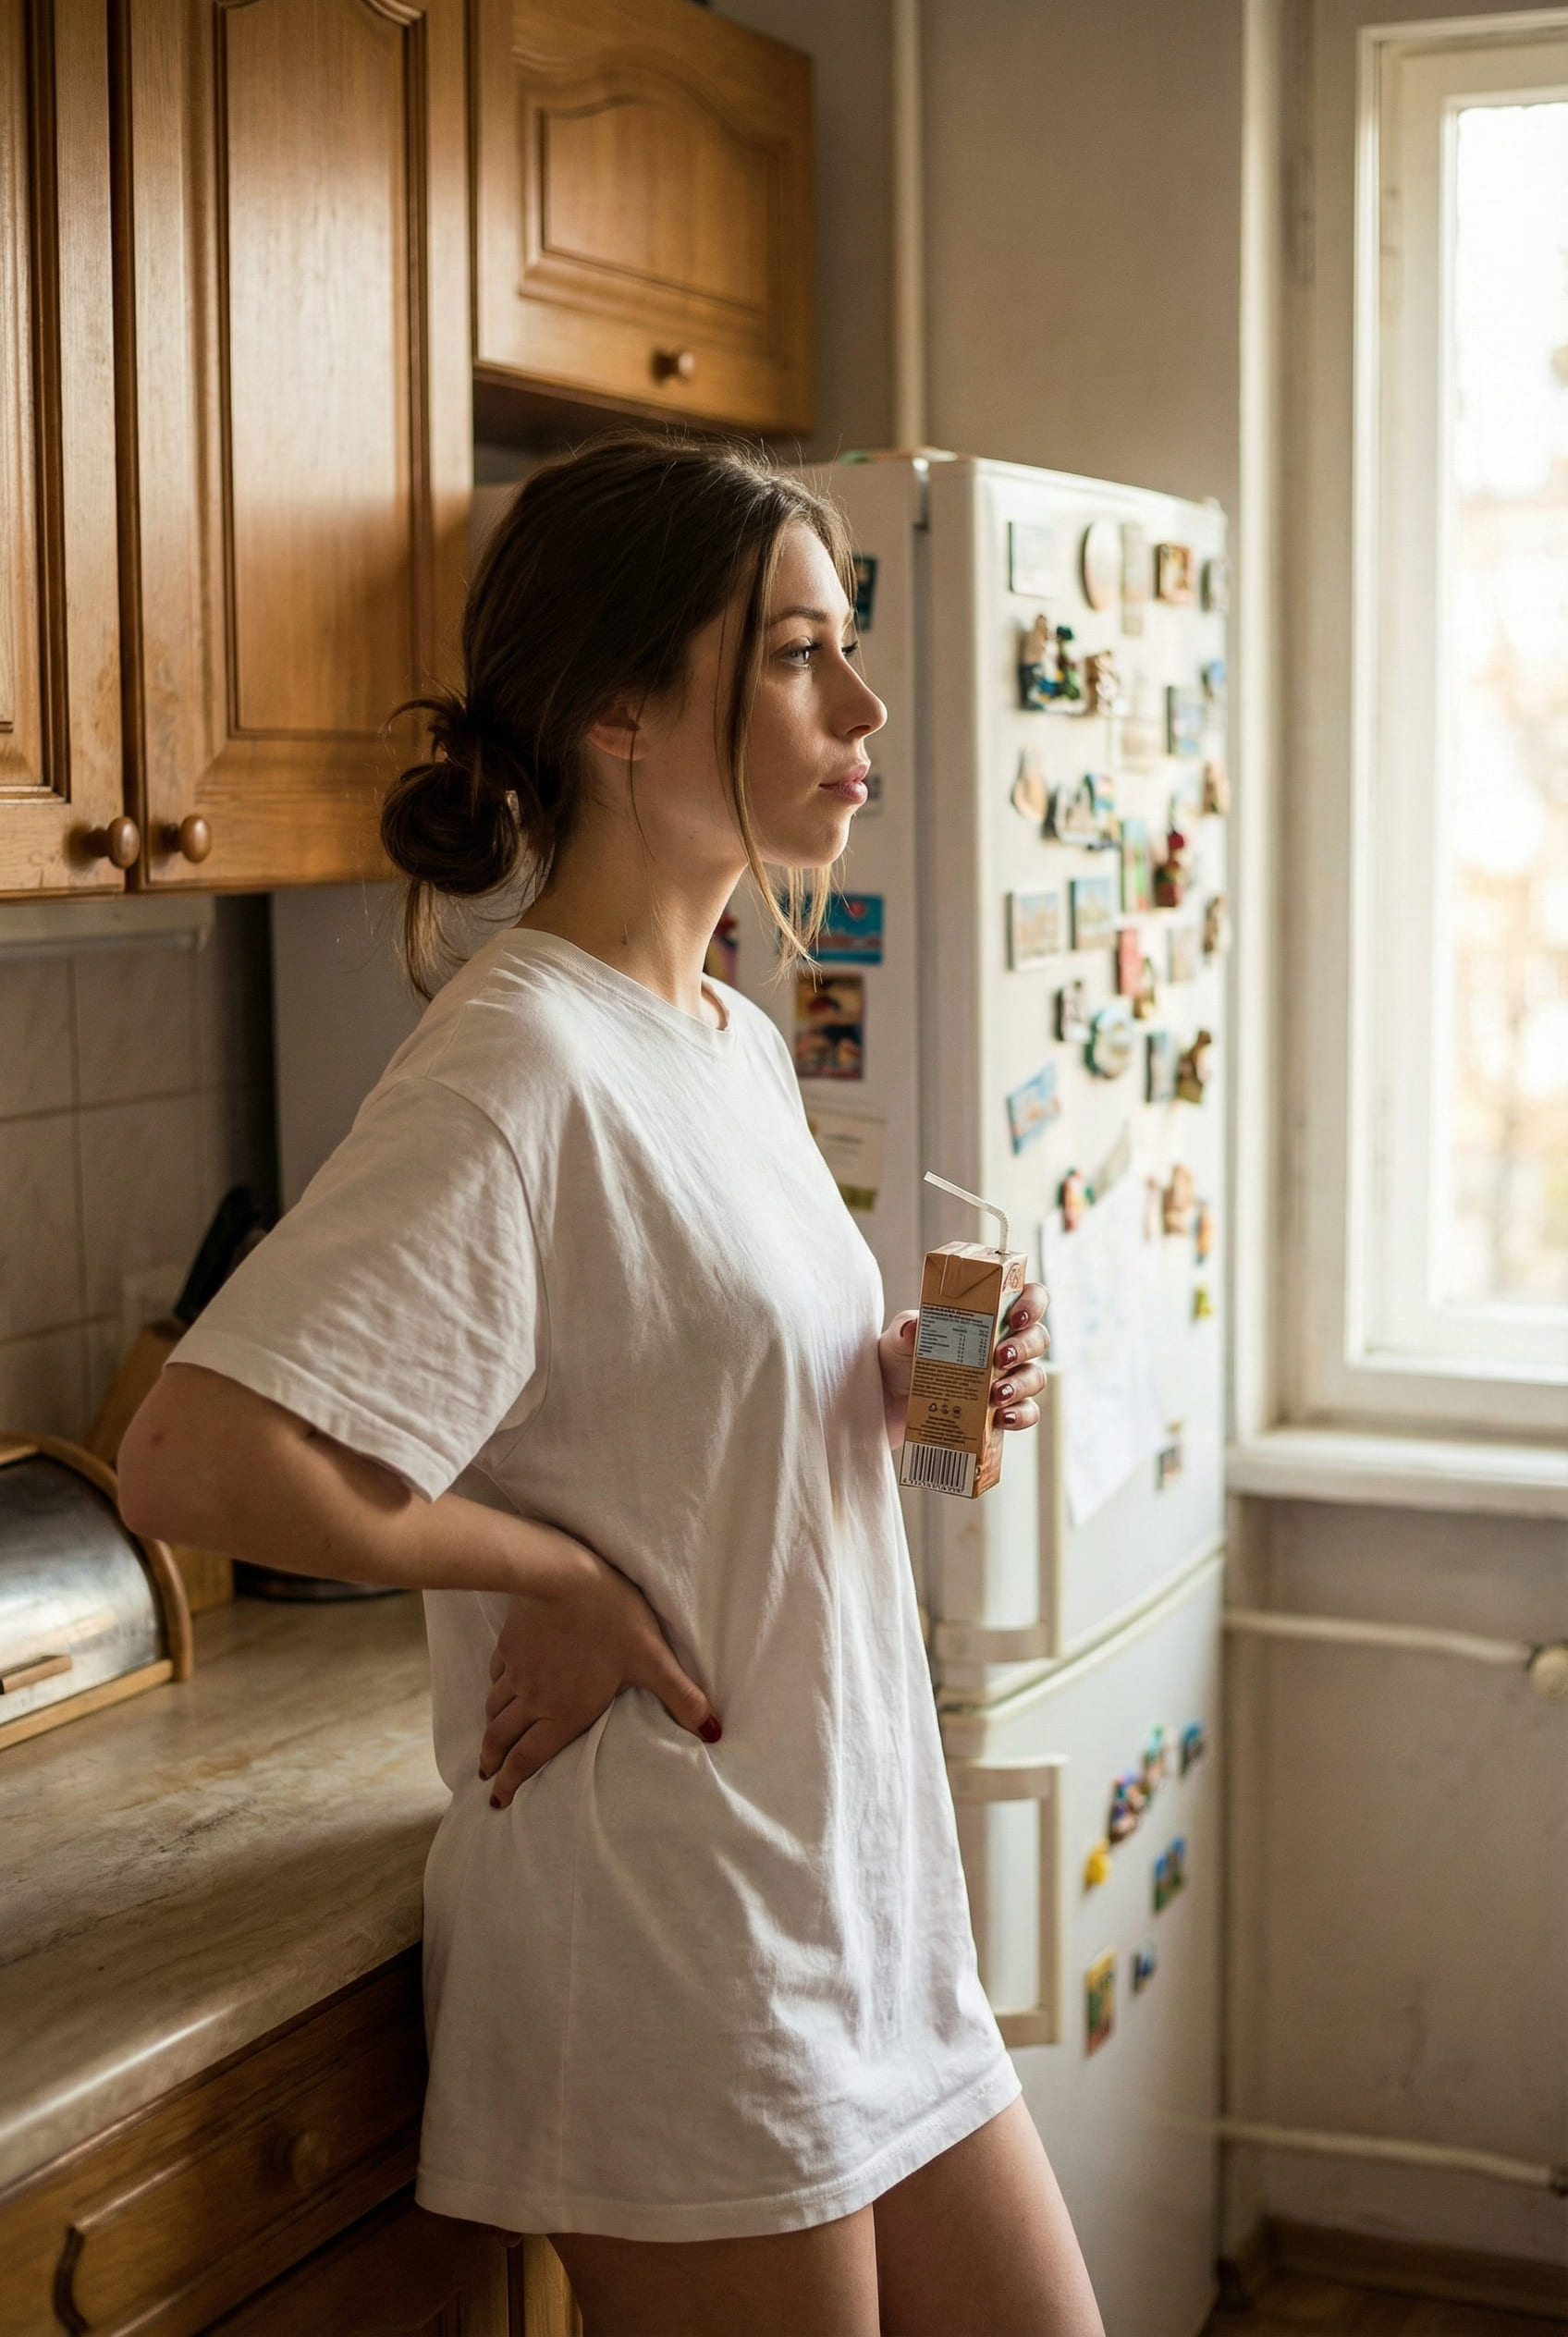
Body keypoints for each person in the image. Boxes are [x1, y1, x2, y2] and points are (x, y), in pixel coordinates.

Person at [118, 434, 1103, 2337]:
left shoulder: (721, 1033)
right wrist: (540, 1576)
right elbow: (189, 1455)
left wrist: (888, 1391)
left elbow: (655, 1388)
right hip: (677, 1947)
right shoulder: (518, 1068)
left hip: (853, 1897)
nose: (864, 703)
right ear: (621, 717)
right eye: (800, 651)